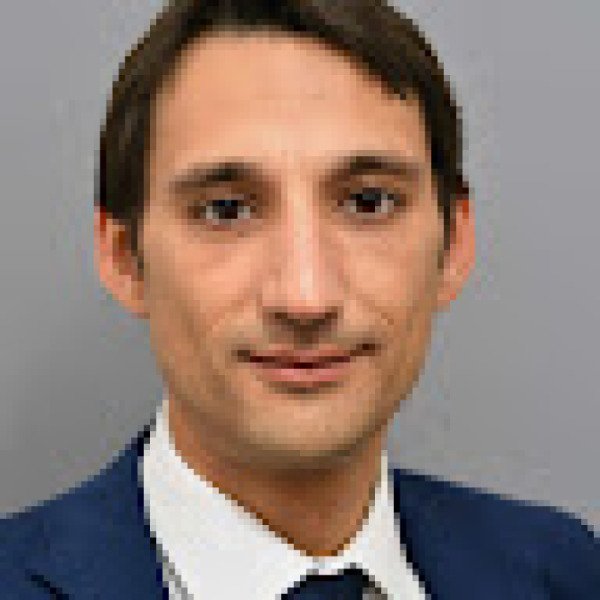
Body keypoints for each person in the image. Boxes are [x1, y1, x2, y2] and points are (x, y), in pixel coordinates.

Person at [1, 0, 598, 598]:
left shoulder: (565, 573)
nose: (306, 296)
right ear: (123, 257)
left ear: (454, 243)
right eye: (226, 210)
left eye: (368, 203)